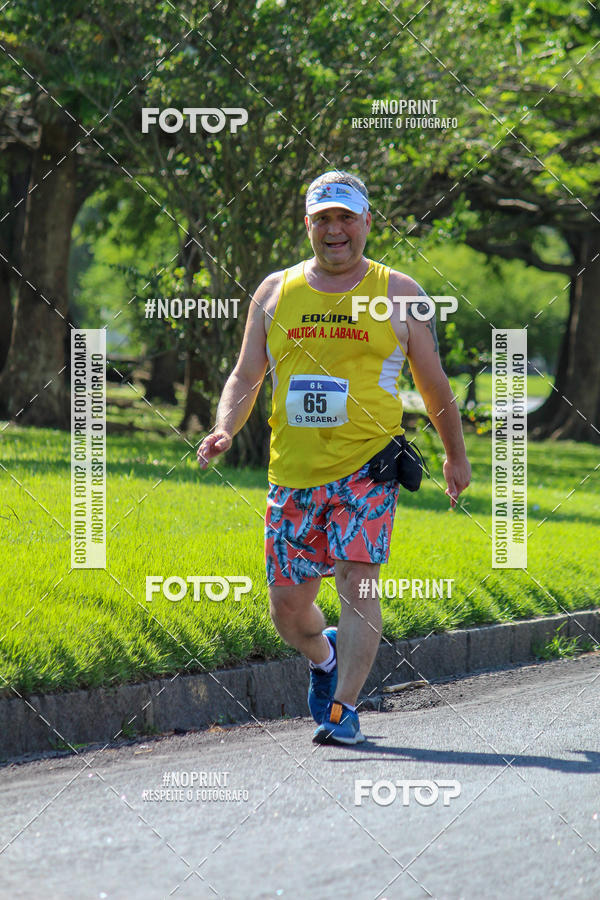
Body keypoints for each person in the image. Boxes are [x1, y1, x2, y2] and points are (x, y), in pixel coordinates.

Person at [197, 170, 471, 745]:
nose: (336, 229)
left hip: (368, 468)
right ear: (308, 226)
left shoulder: (401, 294)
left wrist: (454, 455)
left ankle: (344, 709)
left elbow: (434, 384)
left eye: (347, 217)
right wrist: (224, 428)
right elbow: (248, 374)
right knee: (288, 610)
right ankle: (322, 661)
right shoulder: (275, 292)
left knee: (359, 582)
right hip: (292, 475)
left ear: (368, 222)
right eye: (324, 218)